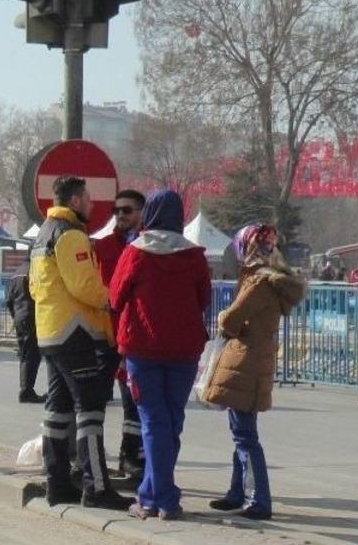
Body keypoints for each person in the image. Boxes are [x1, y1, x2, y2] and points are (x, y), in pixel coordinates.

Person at [30, 176, 133, 510]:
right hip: (75, 332)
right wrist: (113, 300)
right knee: (89, 409)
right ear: (74, 201)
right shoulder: (70, 234)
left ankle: (57, 483)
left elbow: (35, 288)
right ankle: (96, 487)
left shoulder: (43, 233)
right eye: (87, 199)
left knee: (57, 410)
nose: (92, 204)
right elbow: (85, 286)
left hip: (50, 330)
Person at [109, 190, 211, 520]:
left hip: (142, 347)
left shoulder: (135, 252)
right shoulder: (194, 255)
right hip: (184, 350)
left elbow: (115, 296)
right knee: (172, 421)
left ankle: (162, 498)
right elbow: (204, 298)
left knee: (153, 422)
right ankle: (153, 494)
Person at [204, 224, 305, 521]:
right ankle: (238, 491)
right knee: (243, 430)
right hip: (257, 360)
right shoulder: (271, 280)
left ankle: (258, 498)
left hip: (245, 361)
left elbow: (231, 319)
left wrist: (222, 316)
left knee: (244, 435)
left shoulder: (258, 282)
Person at [94, 189, 147, 478]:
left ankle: (131, 456)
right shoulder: (104, 247)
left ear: (141, 212)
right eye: (117, 211)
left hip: (135, 336)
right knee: (95, 399)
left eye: (127, 210)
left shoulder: (148, 246)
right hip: (106, 333)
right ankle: (92, 456)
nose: (121, 216)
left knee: (132, 401)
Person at [4, 267, 44, 404]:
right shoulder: (34, 270)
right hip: (32, 316)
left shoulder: (16, 273)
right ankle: (26, 391)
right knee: (32, 354)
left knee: (25, 354)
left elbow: (8, 300)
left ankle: (26, 389)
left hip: (19, 317)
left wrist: (15, 316)